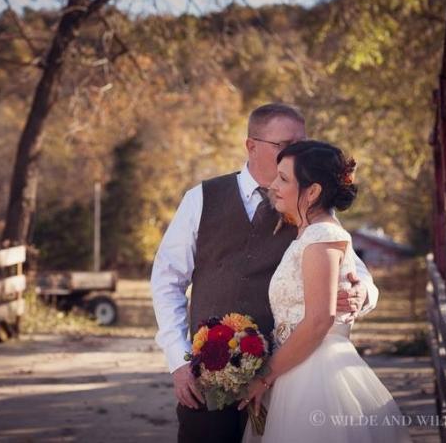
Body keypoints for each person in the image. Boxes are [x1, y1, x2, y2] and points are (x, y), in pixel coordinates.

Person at [150, 103, 379, 443]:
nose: (298, 152)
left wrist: (362, 295)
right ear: (251, 145)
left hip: (284, 377)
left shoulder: (313, 208)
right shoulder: (201, 198)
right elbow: (167, 280)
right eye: (286, 146)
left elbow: (356, 275)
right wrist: (178, 362)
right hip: (209, 376)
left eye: (303, 143)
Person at [238, 140, 411, 442]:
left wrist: (264, 377)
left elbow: (319, 320)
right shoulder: (310, 233)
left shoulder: (322, 236)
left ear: (314, 191)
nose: (273, 185)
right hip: (295, 365)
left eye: (284, 179)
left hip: (316, 375)